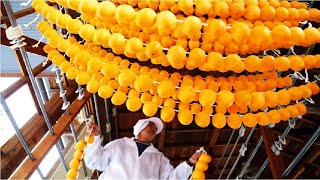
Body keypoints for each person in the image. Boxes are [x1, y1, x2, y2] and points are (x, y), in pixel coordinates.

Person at [84, 117, 201, 179]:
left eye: (156, 129)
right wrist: (94, 138)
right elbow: (95, 162)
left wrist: (189, 164)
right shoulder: (119, 145)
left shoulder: (158, 157)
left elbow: (171, 179)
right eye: (151, 126)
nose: (154, 129)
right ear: (139, 129)